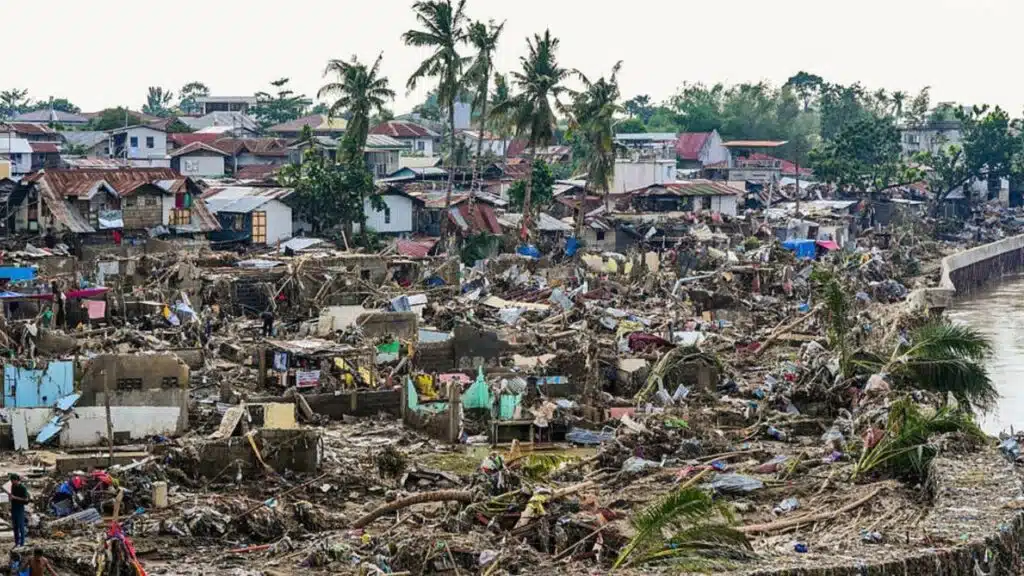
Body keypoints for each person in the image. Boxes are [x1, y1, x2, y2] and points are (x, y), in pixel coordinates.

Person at [5, 473, 29, 547]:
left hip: (20, 508)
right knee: (15, 527)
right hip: (14, 507)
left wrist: (15, 497)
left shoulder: (22, 488)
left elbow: (26, 499)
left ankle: (22, 543)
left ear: (16, 480)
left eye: (12, 481)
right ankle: (16, 542)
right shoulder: (13, 486)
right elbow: (11, 495)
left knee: (21, 526)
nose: (12, 482)